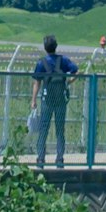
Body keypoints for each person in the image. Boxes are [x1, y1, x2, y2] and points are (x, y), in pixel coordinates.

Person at [28, 34, 78, 168]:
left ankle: (40, 158)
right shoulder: (63, 61)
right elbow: (75, 70)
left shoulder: (41, 63)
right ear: (56, 46)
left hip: (47, 100)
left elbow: (36, 83)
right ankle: (60, 158)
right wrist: (69, 81)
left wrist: (33, 100)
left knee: (43, 129)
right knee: (60, 130)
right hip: (61, 100)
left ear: (45, 47)